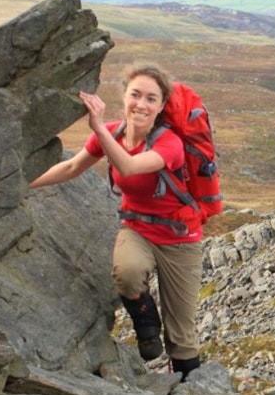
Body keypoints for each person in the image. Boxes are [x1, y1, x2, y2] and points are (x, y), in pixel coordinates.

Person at [30, 63, 204, 379]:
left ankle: (187, 389)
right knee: (128, 272)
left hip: (180, 239)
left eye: (151, 98)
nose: (141, 104)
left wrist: (96, 126)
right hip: (137, 228)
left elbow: (129, 167)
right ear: (124, 96)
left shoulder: (169, 143)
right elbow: (71, 168)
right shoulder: (112, 133)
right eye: (135, 94)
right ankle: (147, 329)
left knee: (182, 334)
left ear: (161, 106)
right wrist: (24, 183)